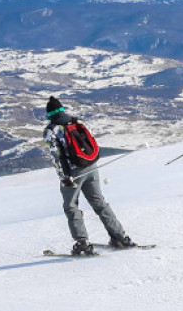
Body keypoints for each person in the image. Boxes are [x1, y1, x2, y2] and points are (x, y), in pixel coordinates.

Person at [43, 96, 135, 254]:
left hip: (73, 173)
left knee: (71, 206)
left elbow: (55, 156)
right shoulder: (77, 122)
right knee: (99, 202)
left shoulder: (51, 130)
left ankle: (82, 243)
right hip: (91, 166)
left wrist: (64, 177)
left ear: (49, 114)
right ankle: (120, 236)